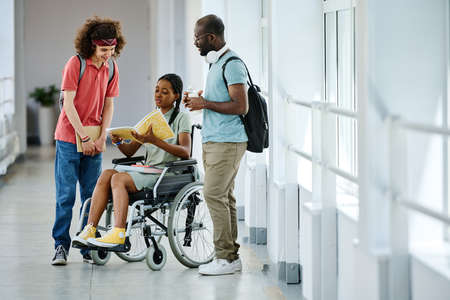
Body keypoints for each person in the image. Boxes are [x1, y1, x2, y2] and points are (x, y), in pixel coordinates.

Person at [72, 73, 192, 249]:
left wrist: (154, 141)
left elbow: (186, 152)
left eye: (165, 92)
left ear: (176, 96)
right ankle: (90, 229)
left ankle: (118, 233)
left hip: (166, 173)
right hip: (148, 170)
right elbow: (129, 152)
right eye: (157, 90)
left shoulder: (182, 118)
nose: (158, 94)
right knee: (107, 174)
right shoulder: (153, 118)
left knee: (118, 178)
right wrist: (120, 141)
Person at [51, 16, 125, 265]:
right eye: (104, 50)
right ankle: (61, 246)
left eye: (112, 49)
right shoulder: (75, 64)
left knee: (92, 197)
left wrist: (102, 135)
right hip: (69, 138)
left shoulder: (111, 67)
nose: (108, 54)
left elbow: (109, 103)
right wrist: (84, 136)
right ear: (91, 45)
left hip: (94, 138)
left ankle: (86, 247)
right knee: (65, 197)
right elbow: (67, 105)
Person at [183, 14, 248, 275]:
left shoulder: (231, 64)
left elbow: (241, 106)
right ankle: (231, 256)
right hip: (215, 140)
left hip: (228, 142)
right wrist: (204, 98)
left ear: (211, 37)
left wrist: (206, 104)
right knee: (225, 197)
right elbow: (225, 99)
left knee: (212, 194)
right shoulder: (216, 64)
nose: (195, 43)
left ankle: (225, 258)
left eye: (198, 38)